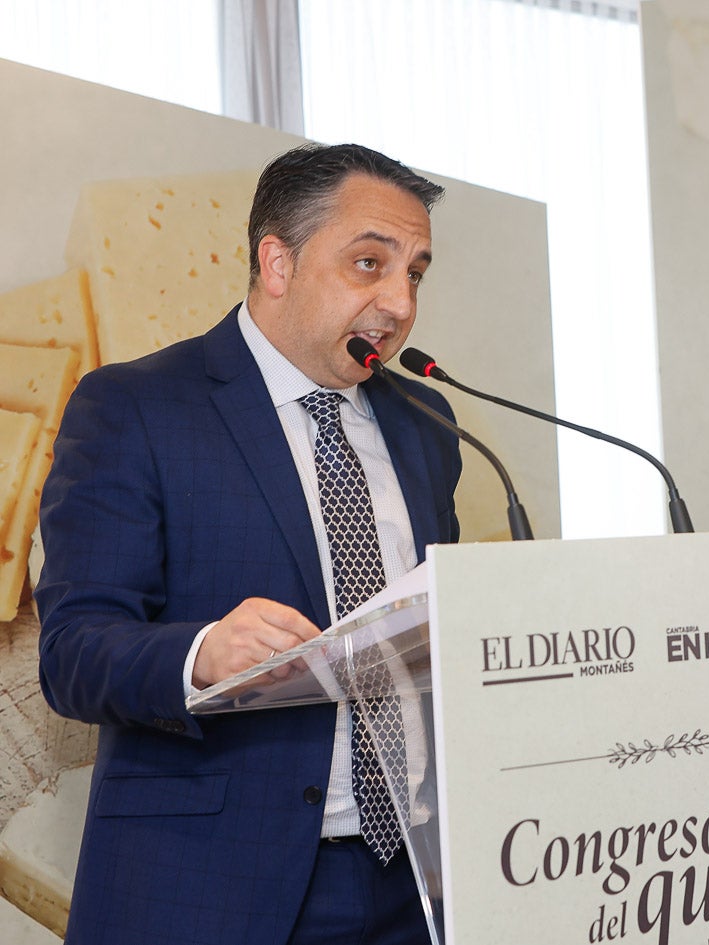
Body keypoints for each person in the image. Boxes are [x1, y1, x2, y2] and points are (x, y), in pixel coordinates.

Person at [36, 143, 461, 945]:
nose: (400, 302)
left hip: (415, 888)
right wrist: (201, 652)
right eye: (370, 263)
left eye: (416, 272)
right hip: (210, 889)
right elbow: (71, 651)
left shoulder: (426, 427)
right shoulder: (137, 407)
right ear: (277, 261)